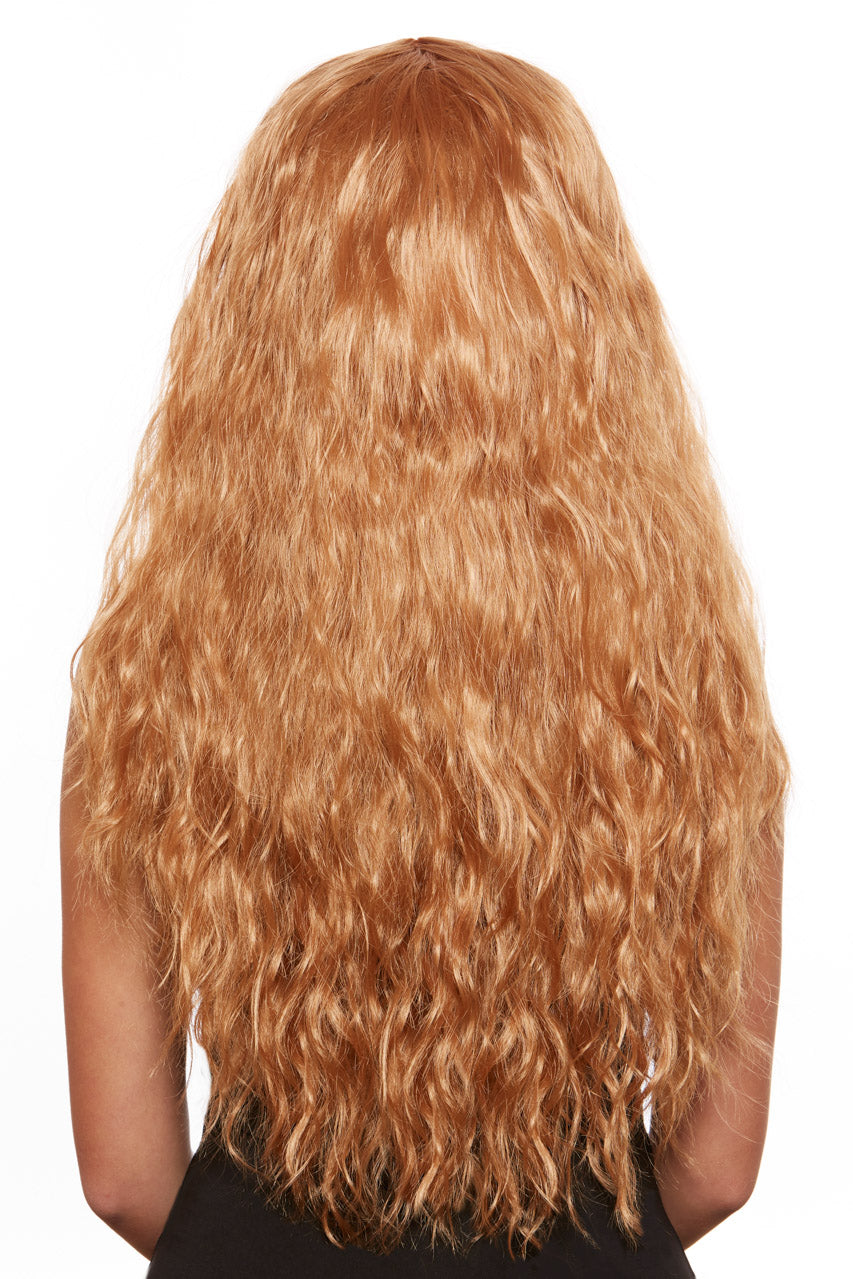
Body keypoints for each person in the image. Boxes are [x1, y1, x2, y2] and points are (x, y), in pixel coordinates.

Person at [60, 34, 790, 1277]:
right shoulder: (683, 684)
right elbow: (716, 1170)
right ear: (578, 311)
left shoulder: (154, 687)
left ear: (269, 320)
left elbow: (125, 1177)